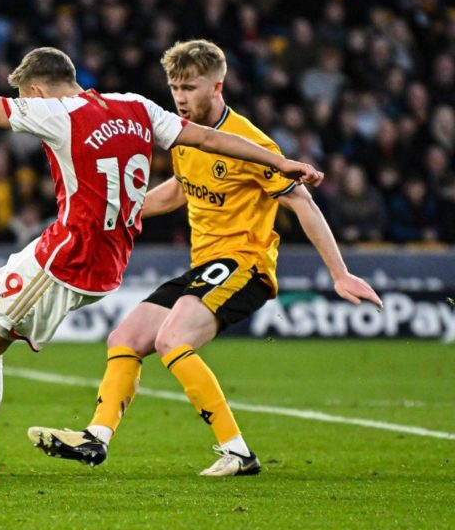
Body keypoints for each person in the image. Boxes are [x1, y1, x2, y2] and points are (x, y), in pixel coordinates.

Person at [0, 45, 323, 485]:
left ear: (35, 90)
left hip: (71, 258)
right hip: (90, 250)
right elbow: (210, 139)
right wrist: (279, 161)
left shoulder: (54, 113)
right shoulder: (137, 106)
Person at [27, 39, 382, 477]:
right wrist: (122, 207)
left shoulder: (248, 142)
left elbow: (303, 203)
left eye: (189, 87)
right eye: (174, 86)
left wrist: (340, 273)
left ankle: (237, 452)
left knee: (172, 340)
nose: (179, 96)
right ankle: (95, 439)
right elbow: (179, 189)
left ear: (218, 85)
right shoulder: (182, 134)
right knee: (125, 336)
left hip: (245, 265)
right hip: (206, 267)